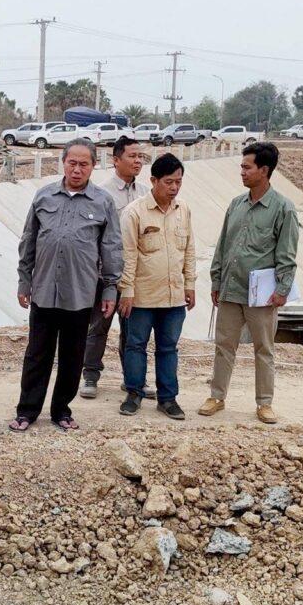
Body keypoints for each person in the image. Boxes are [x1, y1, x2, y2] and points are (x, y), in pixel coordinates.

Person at [10, 138, 122, 433]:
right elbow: (28, 241)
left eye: (84, 164)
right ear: (63, 163)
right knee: (37, 354)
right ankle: (27, 410)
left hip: (81, 293)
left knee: (72, 356)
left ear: (94, 166)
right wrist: (24, 280)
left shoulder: (103, 202)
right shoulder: (44, 196)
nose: (77, 169)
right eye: (72, 163)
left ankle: (61, 410)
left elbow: (111, 249)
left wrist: (110, 289)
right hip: (44, 290)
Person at [198, 142, 299, 425]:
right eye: (241, 167)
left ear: (264, 170)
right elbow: (223, 246)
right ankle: (216, 397)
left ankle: (264, 403)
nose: (242, 172)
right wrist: (216, 280)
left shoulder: (283, 209)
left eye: (247, 167)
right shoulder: (236, 205)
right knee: (224, 346)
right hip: (230, 290)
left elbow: (287, 254)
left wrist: (282, 290)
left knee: (263, 349)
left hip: (262, 297)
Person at [117, 153, 196, 419]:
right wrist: (126, 291)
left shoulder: (183, 210)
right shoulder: (134, 212)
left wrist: (190, 284)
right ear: (153, 181)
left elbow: (189, 250)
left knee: (168, 347)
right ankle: (134, 393)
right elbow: (128, 254)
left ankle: (168, 398)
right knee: (135, 345)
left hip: (174, 296)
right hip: (142, 296)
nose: (174, 188)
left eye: (178, 182)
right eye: (168, 182)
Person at [80, 136, 151, 400]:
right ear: (116, 160)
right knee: (98, 326)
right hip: (106, 274)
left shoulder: (146, 193)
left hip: (136, 275)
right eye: (132, 156)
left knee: (134, 331)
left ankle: (133, 379)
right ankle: (90, 376)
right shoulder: (101, 194)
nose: (138, 161)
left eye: (140, 156)